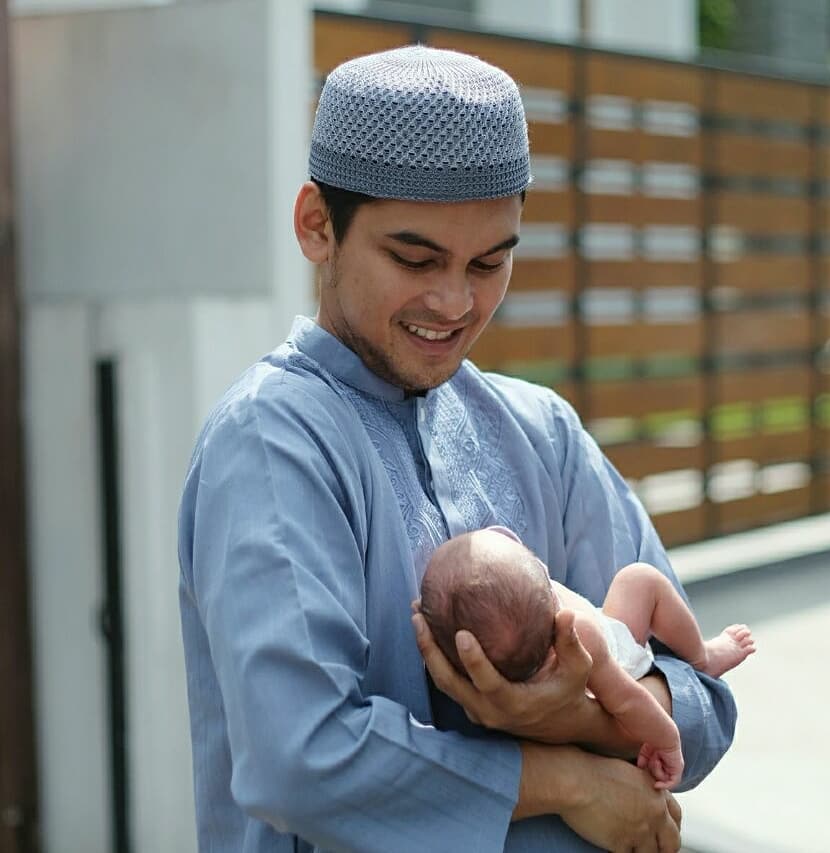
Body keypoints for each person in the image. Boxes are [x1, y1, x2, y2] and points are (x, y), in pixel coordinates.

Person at [178, 44, 737, 853]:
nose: (454, 301)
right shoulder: (272, 439)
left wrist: (572, 710)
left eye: (488, 263)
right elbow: (299, 756)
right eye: (414, 258)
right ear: (316, 226)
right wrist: (564, 779)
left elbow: (705, 704)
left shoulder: (540, 431)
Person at [419, 526, 756, 789]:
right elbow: (627, 699)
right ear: (543, 579)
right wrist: (666, 739)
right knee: (639, 580)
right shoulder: (582, 637)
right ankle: (701, 657)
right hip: (623, 660)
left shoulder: (489, 663)